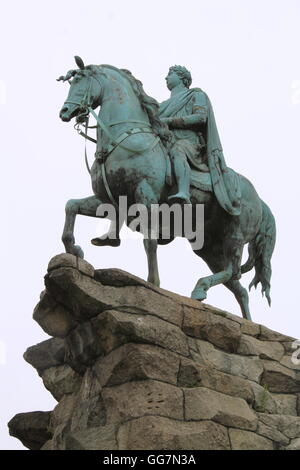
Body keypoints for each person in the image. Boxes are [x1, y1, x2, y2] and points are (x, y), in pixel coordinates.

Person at [159, 65, 241, 215]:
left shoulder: (196, 95)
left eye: (170, 74)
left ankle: (184, 193)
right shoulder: (162, 105)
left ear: (182, 78)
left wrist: (169, 121)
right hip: (166, 141)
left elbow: (200, 117)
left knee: (178, 150)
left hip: (189, 142)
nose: (166, 77)